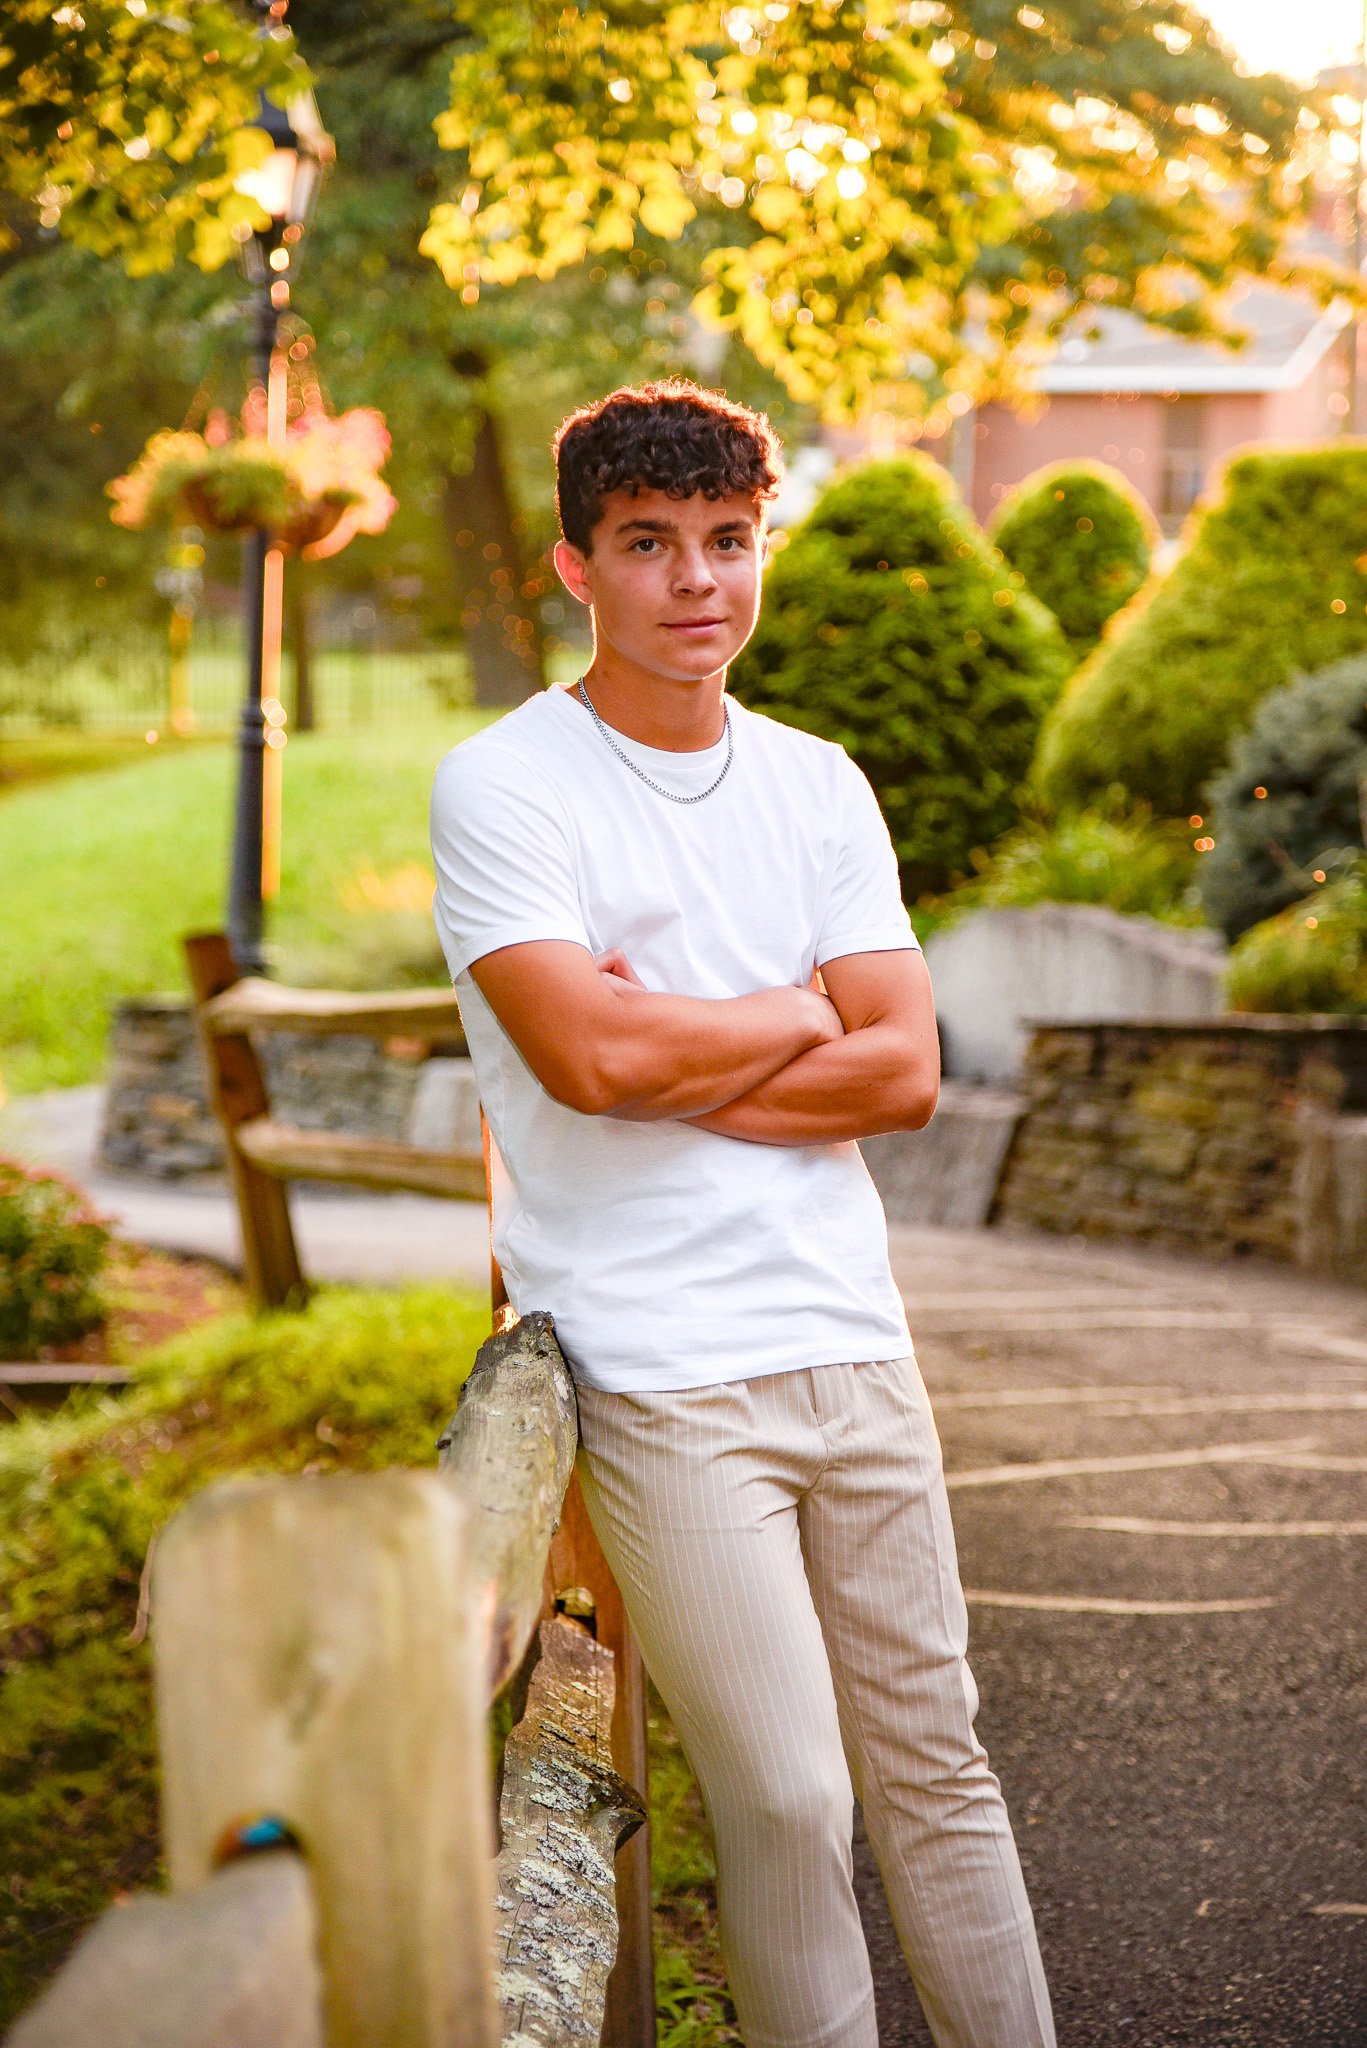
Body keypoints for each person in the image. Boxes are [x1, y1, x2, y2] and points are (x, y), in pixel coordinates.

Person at [430, 379, 1054, 2048]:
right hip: (662, 1369)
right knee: (786, 1796)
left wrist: (670, 1051)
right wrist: (791, 1011)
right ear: (577, 568)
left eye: (727, 538)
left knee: (937, 1768)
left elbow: (902, 1071)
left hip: (850, 1336)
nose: (698, 580)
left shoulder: (817, 785)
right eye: (649, 545)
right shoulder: (507, 786)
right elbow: (584, 1055)